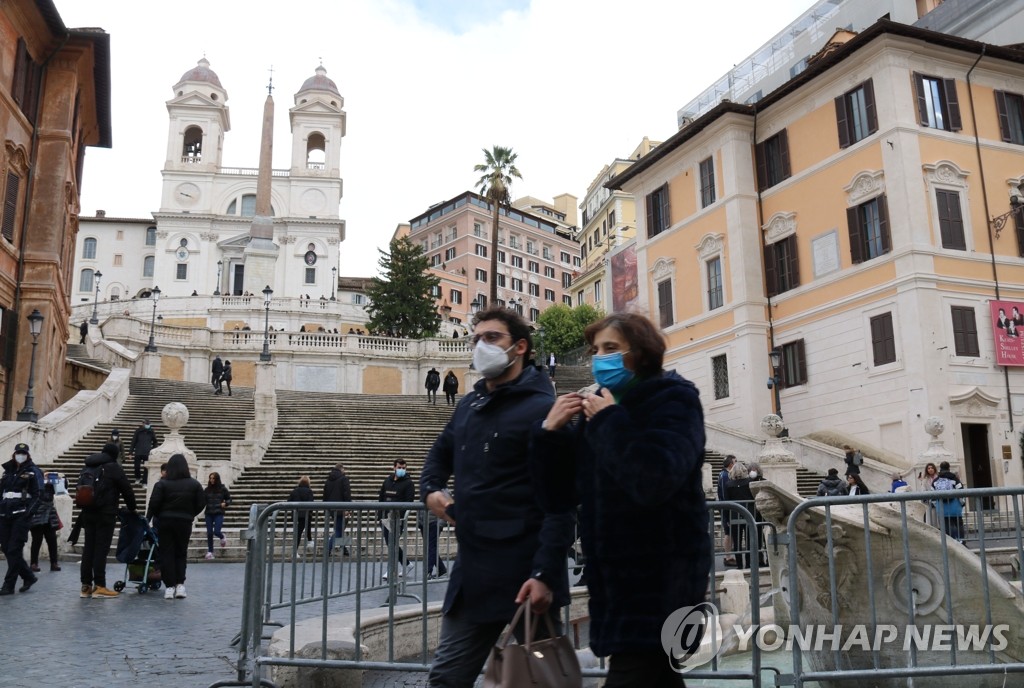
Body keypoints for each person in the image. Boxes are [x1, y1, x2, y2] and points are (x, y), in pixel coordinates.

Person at [530, 311, 710, 686]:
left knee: (636, 673)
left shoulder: (675, 400)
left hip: (663, 581)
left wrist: (610, 420)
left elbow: (656, 478)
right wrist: (550, 434)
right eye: (596, 349)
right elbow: (560, 496)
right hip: (614, 583)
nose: (600, 357)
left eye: (611, 348)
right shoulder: (599, 407)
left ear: (640, 352)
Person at [421, 306, 574, 688]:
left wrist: (543, 574)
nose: (480, 346)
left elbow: (560, 503)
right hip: (473, 572)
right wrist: (430, 491)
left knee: (544, 681)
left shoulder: (545, 410)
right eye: (476, 339)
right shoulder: (469, 407)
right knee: (445, 679)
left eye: (492, 338)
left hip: (527, 574)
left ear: (520, 346)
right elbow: (438, 454)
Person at [80, 442, 137, 598]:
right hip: (105, 513)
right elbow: (127, 489)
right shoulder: (113, 467)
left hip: (87, 513)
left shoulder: (89, 465)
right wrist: (132, 507)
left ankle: (85, 587)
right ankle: (100, 586)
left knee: (88, 548)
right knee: (101, 549)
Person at [146, 453, 205, 600]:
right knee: (181, 552)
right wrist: (190, 513)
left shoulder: (162, 484)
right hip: (184, 521)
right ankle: (180, 585)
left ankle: (169, 586)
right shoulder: (194, 484)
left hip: (165, 521)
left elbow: (154, 503)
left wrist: (153, 517)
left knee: (166, 553)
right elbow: (201, 502)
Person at [1, 443, 43, 595]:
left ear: (28, 455)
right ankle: (28, 576)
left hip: (21, 515)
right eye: (18, 452)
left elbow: (39, 494)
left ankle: (8, 585)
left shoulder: (33, 471)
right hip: (5, 514)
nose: (21, 455)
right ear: (14, 454)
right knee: (6, 548)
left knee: (14, 549)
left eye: (23, 453)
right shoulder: (7, 472)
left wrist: (28, 513)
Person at [378, 459, 415, 579]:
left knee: (392, 543)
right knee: (391, 544)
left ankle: (391, 569)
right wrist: (379, 516)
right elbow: (381, 498)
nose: (402, 470)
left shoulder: (408, 483)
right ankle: (407, 564)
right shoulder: (387, 481)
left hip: (398, 519)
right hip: (385, 518)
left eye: (404, 468)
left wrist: (401, 516)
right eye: (400, 467)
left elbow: (409, 502)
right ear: (394, 467)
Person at [29, 478, 61, 573]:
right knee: (37, 540)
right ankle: (33, 563)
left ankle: (54, 563)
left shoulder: (51, 486)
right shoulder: (34, 485)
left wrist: (58, 480)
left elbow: (62, 490)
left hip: (50, 517)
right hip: (37, 517)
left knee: (52, 540)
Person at [322, 463, 352, 556]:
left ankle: (344, 549)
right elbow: (346, 493)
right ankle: (328, 548)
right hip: (341, 508)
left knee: (340, 528)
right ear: (342, 470)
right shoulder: (344, 479)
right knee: (339, 530)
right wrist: (348, 507)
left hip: (331, 508)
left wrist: (325, 509)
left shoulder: (328, 480)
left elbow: (325, 495)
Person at [933, 461, 966, 544]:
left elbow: (932, 494)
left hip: (942, 507)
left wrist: (936, 505)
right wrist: (962, 503)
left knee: (946, 526)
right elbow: (961, 491)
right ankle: (961, 541)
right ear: (949, 468)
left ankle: (949, 543)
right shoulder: (954, 478)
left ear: (940, 468)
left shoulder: (936, 480)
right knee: (958, 524)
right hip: (955, 507)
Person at [203, 472, 231, 560]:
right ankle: (210, 552)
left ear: (217, 479)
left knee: (216, 531)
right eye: (210, 478)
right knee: (209, 533)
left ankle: (222, 537)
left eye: (213, 478)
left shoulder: (222, 489)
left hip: (219, 512)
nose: (211, 480)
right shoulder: (207, 490)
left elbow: (229, 499)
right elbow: (202, 500)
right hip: (209, 513)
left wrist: (225, 503)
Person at [718, 454, 737, 566]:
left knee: (729, 532)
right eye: (735, 462)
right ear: (731, 464)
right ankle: (728, 556)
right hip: (726, 508)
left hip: (726, 507)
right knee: (728, 532)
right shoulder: (725, 475)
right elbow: (725, 495)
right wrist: (728, 510)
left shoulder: (723, 474)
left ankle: (728, 556)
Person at [288, 476, 315, 552]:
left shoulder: (295, 491)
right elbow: (311, 503)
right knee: (300, 531)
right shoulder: (309, 491)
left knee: (298, 532)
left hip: (296, 514)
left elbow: (289, 501)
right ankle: (307, 542)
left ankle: (309, 541)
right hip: (305, 515)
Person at [130, 419, 159, 485]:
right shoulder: (138, 431)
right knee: (136, 466)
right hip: (138, 451)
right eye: (146, 424)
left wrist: (153, 449)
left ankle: (144, 481)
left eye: (148, 424)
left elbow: (155, 441)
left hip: (147, 452)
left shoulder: (151, 431)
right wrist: (130, 452)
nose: (147, 425)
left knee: (146, 468)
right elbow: (133, 442)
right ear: (143, 424)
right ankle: (138, 478)